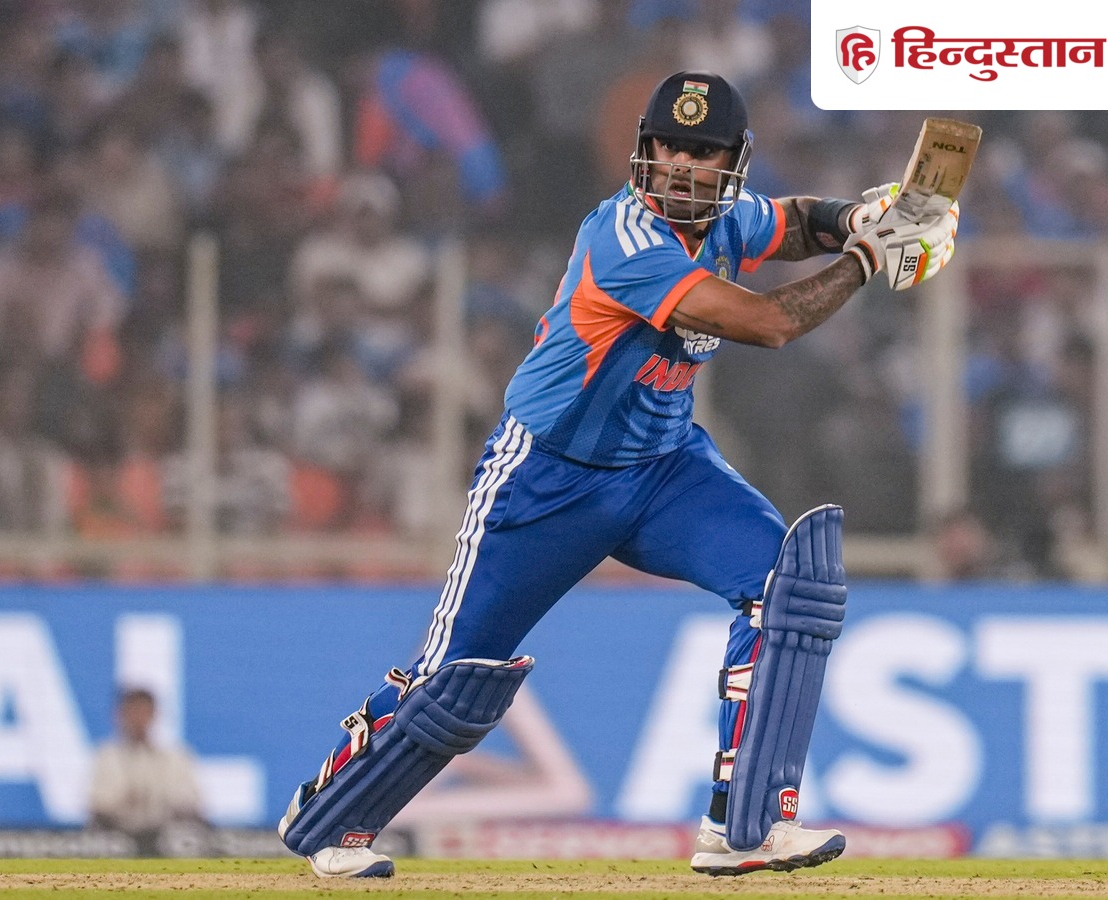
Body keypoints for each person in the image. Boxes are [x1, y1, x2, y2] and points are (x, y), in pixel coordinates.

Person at [276, 71, 961, 879]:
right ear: (645, 150)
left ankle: (745, 827)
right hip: (547, 478)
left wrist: (857, 217)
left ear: (733, 161)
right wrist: (867, 258)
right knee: (454, 682)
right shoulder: (625, 238)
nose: (681, 165)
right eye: (669, 146)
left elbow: (798, 219)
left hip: (664, 468)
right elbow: (767, 323)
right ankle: (329, 818)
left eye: (702, 152)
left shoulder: (732, 217)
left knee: (789, 586)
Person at [88, 687, 205, 840]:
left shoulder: (174, 757)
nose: (138, 718)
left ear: (154, 714)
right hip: (118, 836)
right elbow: (98, 804)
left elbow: (190, 801)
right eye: (133, 711)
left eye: (144, 711)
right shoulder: (106, 756)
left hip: (166, 837)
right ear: (120, 715)